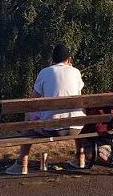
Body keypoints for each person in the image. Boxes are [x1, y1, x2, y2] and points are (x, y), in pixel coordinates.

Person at [5, 44, 86, 175]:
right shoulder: (76, 72)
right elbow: (79, 97)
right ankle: (80, 158)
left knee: (29, 114)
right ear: (69, 59)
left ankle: (22, 163)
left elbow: (32, 102)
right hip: (76, 129)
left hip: (51, 129)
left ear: (52, 60)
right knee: (77, 113)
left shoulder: (45, 72)